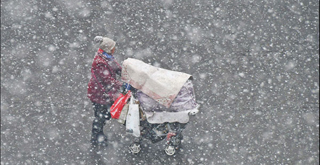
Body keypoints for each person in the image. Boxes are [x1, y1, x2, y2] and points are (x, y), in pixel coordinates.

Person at [87, 36, 123, 146]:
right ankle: (95, 137)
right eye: (113, 48)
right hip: (99, 94)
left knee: (104, 115)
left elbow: (117, 68)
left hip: (104, 93)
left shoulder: (108, 57)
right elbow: (107, 80)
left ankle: (99, 134)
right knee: (100, 116)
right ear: (108, 49)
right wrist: (122, 84)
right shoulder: (100, 62)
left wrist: (126, 73)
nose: (114, 49)